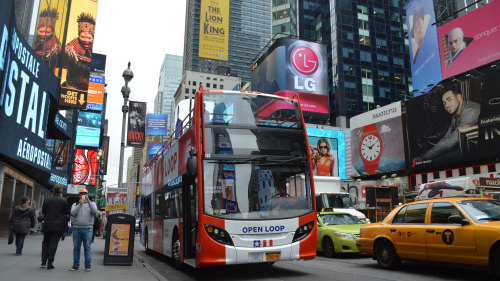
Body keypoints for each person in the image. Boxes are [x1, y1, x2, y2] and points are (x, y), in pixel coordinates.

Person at [419, 86, 480, 163]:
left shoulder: (470, 111)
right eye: (444, 103)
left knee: (435, 160)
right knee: (434, 158)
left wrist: (424, 158)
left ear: (459, 97)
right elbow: (446, 138)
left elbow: (452, 140)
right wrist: (425, 155)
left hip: (477, 152)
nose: (446, 106)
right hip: (466, 149)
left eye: (449, 100)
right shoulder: (455, 114)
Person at [61, 13, 95, 91]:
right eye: (83, 37)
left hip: (87, 89)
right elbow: (62, 66)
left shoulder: (94, 52)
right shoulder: (71, 47)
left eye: (89, 38)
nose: (86, 40)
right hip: (72, 86)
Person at [41, 185, 69, 269]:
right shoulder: (64, 201)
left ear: (53, 191)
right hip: (58, 225)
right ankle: (50, 262)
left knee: (45, 242)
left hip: (47, 224)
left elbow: (44, 212)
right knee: (53, 243)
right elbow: (66, 212)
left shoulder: (47, 200)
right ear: (61, 191)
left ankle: (43, 261)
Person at [70, 188, 97, 272]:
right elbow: (73, 213)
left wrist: (88, 201)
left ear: (87, 195)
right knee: (76, 248)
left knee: (87, 248)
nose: (83, 195)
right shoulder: (75, 204)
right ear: (79, 195)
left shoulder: (92, 203)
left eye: (85, 194)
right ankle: (75, 265)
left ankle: (87, 266)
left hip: (88, 228)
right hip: (77, 228)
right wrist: (80, 204)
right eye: (81, 194)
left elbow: (95, 212)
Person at [33, 8, 62, 74]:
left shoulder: (56, 45)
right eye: (41, 31)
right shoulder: (32, 41)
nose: (44, 35)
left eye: (47, 32)